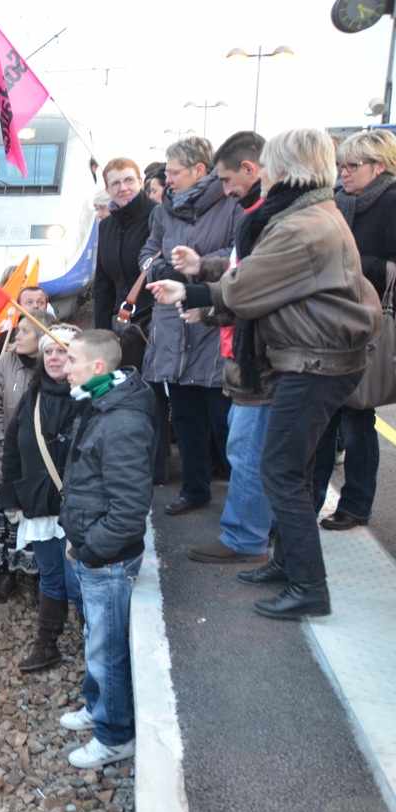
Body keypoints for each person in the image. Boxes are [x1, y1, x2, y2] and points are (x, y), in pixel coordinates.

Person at [150, 128, 380, 620]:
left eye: (270, 164)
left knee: (281, 470)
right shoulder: (310, 215)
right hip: (308, 356)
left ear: (286, 168)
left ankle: (308, 588)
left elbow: (246, 285)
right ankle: (286, 564)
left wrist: (188, 293)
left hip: (312, 361)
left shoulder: (301, 226)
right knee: (286, 469)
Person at [172, 131, 276, 566]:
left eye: (229, 180)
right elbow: (240, 270)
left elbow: (252, 285)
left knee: (248, 449)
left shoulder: (271, 217)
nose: (227, 190)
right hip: (247, 350)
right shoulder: (261, 212)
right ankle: (250, 531)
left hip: (261, 356)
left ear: (252, 170)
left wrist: (202, 303)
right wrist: (201, 268)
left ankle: (245, 539)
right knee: (245, 445)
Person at [56, 330, 154, 769]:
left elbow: (130, 509)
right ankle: (97, 708)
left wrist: (92, 548)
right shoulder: (101, 402)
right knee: (96, 640)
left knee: (106, 649)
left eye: (72, 358)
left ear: (98, 368)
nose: (64, 364)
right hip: (95, 551)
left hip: (108, 560)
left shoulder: (121, 421)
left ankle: (115, 736)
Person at [140, 136, 242, 517]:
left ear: (200, 170)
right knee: (184, 416)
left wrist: (198, 264)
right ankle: (195, 488)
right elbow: (149, 250)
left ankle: (239, 492)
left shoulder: (232, 204)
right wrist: (157, 267)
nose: (167, 180)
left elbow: (238, 255)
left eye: (174, 172)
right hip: (171, 319)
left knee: (223, 418)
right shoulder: (163, 211)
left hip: (213, 319)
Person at [311, 128, 396, 531]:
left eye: (352, 166)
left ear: (378, 166)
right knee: (327, 416)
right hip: (334, 319)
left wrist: (355, 262)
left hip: (370, 320)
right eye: (340, 165)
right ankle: (312, 499)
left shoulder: (392, 202)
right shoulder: (340, 201)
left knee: (358, 417)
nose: (344, 172)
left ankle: (356, 505)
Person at [0, 325, 83, 671]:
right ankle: (46, 644)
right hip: (40, 507)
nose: (54, 358)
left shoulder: (87, 399)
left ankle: (97, 646)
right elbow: (13, 450)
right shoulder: (33, 397)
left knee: (77, 582)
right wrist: (11, 498)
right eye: (49, 352)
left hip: (76, 508)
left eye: (62, 351)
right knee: (50, 576)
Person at [0, 313, 51, 601]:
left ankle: (35, 575)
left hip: (39, 463)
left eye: (24, 332)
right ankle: (6, 572)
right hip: (5, 459)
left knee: (35, 519)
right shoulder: (6, 363)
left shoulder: (52, 367)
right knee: (5, 521)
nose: (17, 336)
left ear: (41, 338)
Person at [93, 158, 157, 331]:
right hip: (122, 324)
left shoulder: (158, 216)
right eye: (115, 183)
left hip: (155, 323)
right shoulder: (106, 226)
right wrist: (102, 333)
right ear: (107, 189)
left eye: (129, 180)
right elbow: (102, 284)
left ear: (141, 182)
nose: (123, 188)